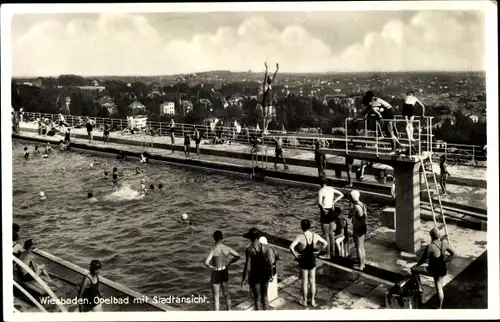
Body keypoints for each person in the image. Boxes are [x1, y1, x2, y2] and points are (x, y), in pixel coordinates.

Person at [411, 228, 455, 309]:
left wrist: (417, 265)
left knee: (413, 269)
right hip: (443, 269)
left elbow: (424, 259)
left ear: (431, 236)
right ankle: (440, 307)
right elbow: (454, 253)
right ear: (439, 236)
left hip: (433, 270)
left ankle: (419, 288)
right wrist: (447, 259)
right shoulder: (443, 243)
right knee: (439, 287)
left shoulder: (430, 246)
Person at [289, 219, 328, 307]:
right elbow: (325, 243)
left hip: (303, 260)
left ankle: (305, 301)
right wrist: (318, 252)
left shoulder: (300, 237)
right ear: (309, 226)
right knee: (312, 281)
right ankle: (313, 301)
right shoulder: (315, 235)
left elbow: (291, 247)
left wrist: (295, 255)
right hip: (312, 259)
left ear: (302, 227)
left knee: (304, 282)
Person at [205, 230, 241, 311]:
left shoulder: (213, 249)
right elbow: (238, 256)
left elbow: (206, 262)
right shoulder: (227, 248)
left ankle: (217, 316)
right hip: (224, 271)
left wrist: (211, 267)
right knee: (226, 294)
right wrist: (230, 262)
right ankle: (229, 311)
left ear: (214, 238)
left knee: (216, 296)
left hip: (216, 272)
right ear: (222, 238)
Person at [241, 228, 274, 310]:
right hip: (265, 272)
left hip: (255, 274)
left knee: (258, 298)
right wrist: (271, 274)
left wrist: (244, 279)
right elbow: (270, 262)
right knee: (265, 296)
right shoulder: (266, 247)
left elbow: (248, 266)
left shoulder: (250, 249)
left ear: (251, 238)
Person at [317, 175, 344, 259]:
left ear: (320, 183)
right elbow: (341, 194)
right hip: (332, 212)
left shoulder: (321, 191)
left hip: (325, 212)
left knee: (326, 235)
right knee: (331, 234)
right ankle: (333, 253)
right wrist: (333, 202)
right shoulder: (331, 189)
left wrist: (323, 209)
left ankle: (328, 255)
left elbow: (319, 203)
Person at [349, 190, 367, 270]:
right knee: (362, 247)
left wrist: (350, 207)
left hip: (358, 227)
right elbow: (365, 216)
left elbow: (349, 215)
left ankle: (360, 266)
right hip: (363, 225)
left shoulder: (355, 206)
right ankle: (363, 263)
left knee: (359, 247)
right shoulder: (362, 204)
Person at [262, 62, 279, 135]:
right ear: (268, 79)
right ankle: (263, 130)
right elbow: (265, 76)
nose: (271, 78)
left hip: (270, 101)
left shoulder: (270, 85)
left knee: (269, 117)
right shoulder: (265, 85)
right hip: (265, 101)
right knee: (265, 116)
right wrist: (266, 68)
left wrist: (277, 69)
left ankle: (266, 129)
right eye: (270, 78)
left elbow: (274, 77)